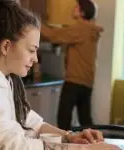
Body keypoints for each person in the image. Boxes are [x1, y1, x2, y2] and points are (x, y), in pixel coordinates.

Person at [0, 0, 120, 150]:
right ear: (6, 46)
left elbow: (30, 121)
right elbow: (9, 146)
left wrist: (69, 136)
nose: (35, 58)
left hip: (76, 80)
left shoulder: (5, 80)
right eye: (32, 50)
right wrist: (82, 148)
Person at [41, 0, 102, 130]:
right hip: (87, 82)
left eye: (77, 7)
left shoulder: (80, 29)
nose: (73, 8)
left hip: (74, 81)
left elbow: (53, 35)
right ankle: (94, 145)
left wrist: (33, 23)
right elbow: (63, 32)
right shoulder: (90, 29)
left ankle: (65, 147)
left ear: (82, 12)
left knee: (63, 119)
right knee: (85, 120)